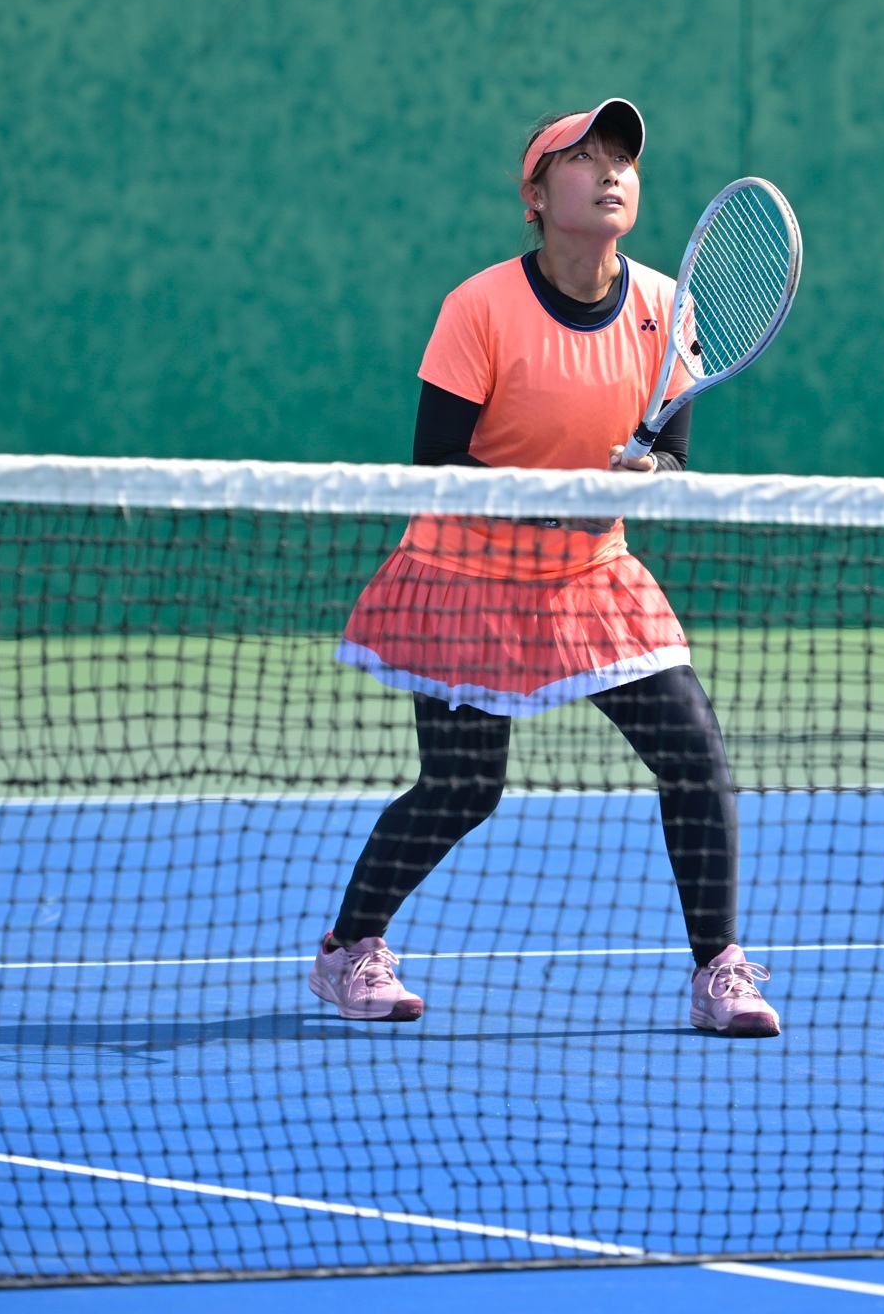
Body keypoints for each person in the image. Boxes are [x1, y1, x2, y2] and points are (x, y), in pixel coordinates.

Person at [313, 98, 781, 1037]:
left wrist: (650, 479)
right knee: (464, 788)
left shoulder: (665, 307)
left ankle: (718, 971)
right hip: (466, 571)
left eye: (623, 160)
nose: (610, 172)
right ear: (534, 195)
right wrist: (554, 501)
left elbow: (673, 458)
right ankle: (347, 950)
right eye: (583, 157)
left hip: (592, 574)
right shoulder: (479, 307)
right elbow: (438, 467)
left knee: (696, 759)